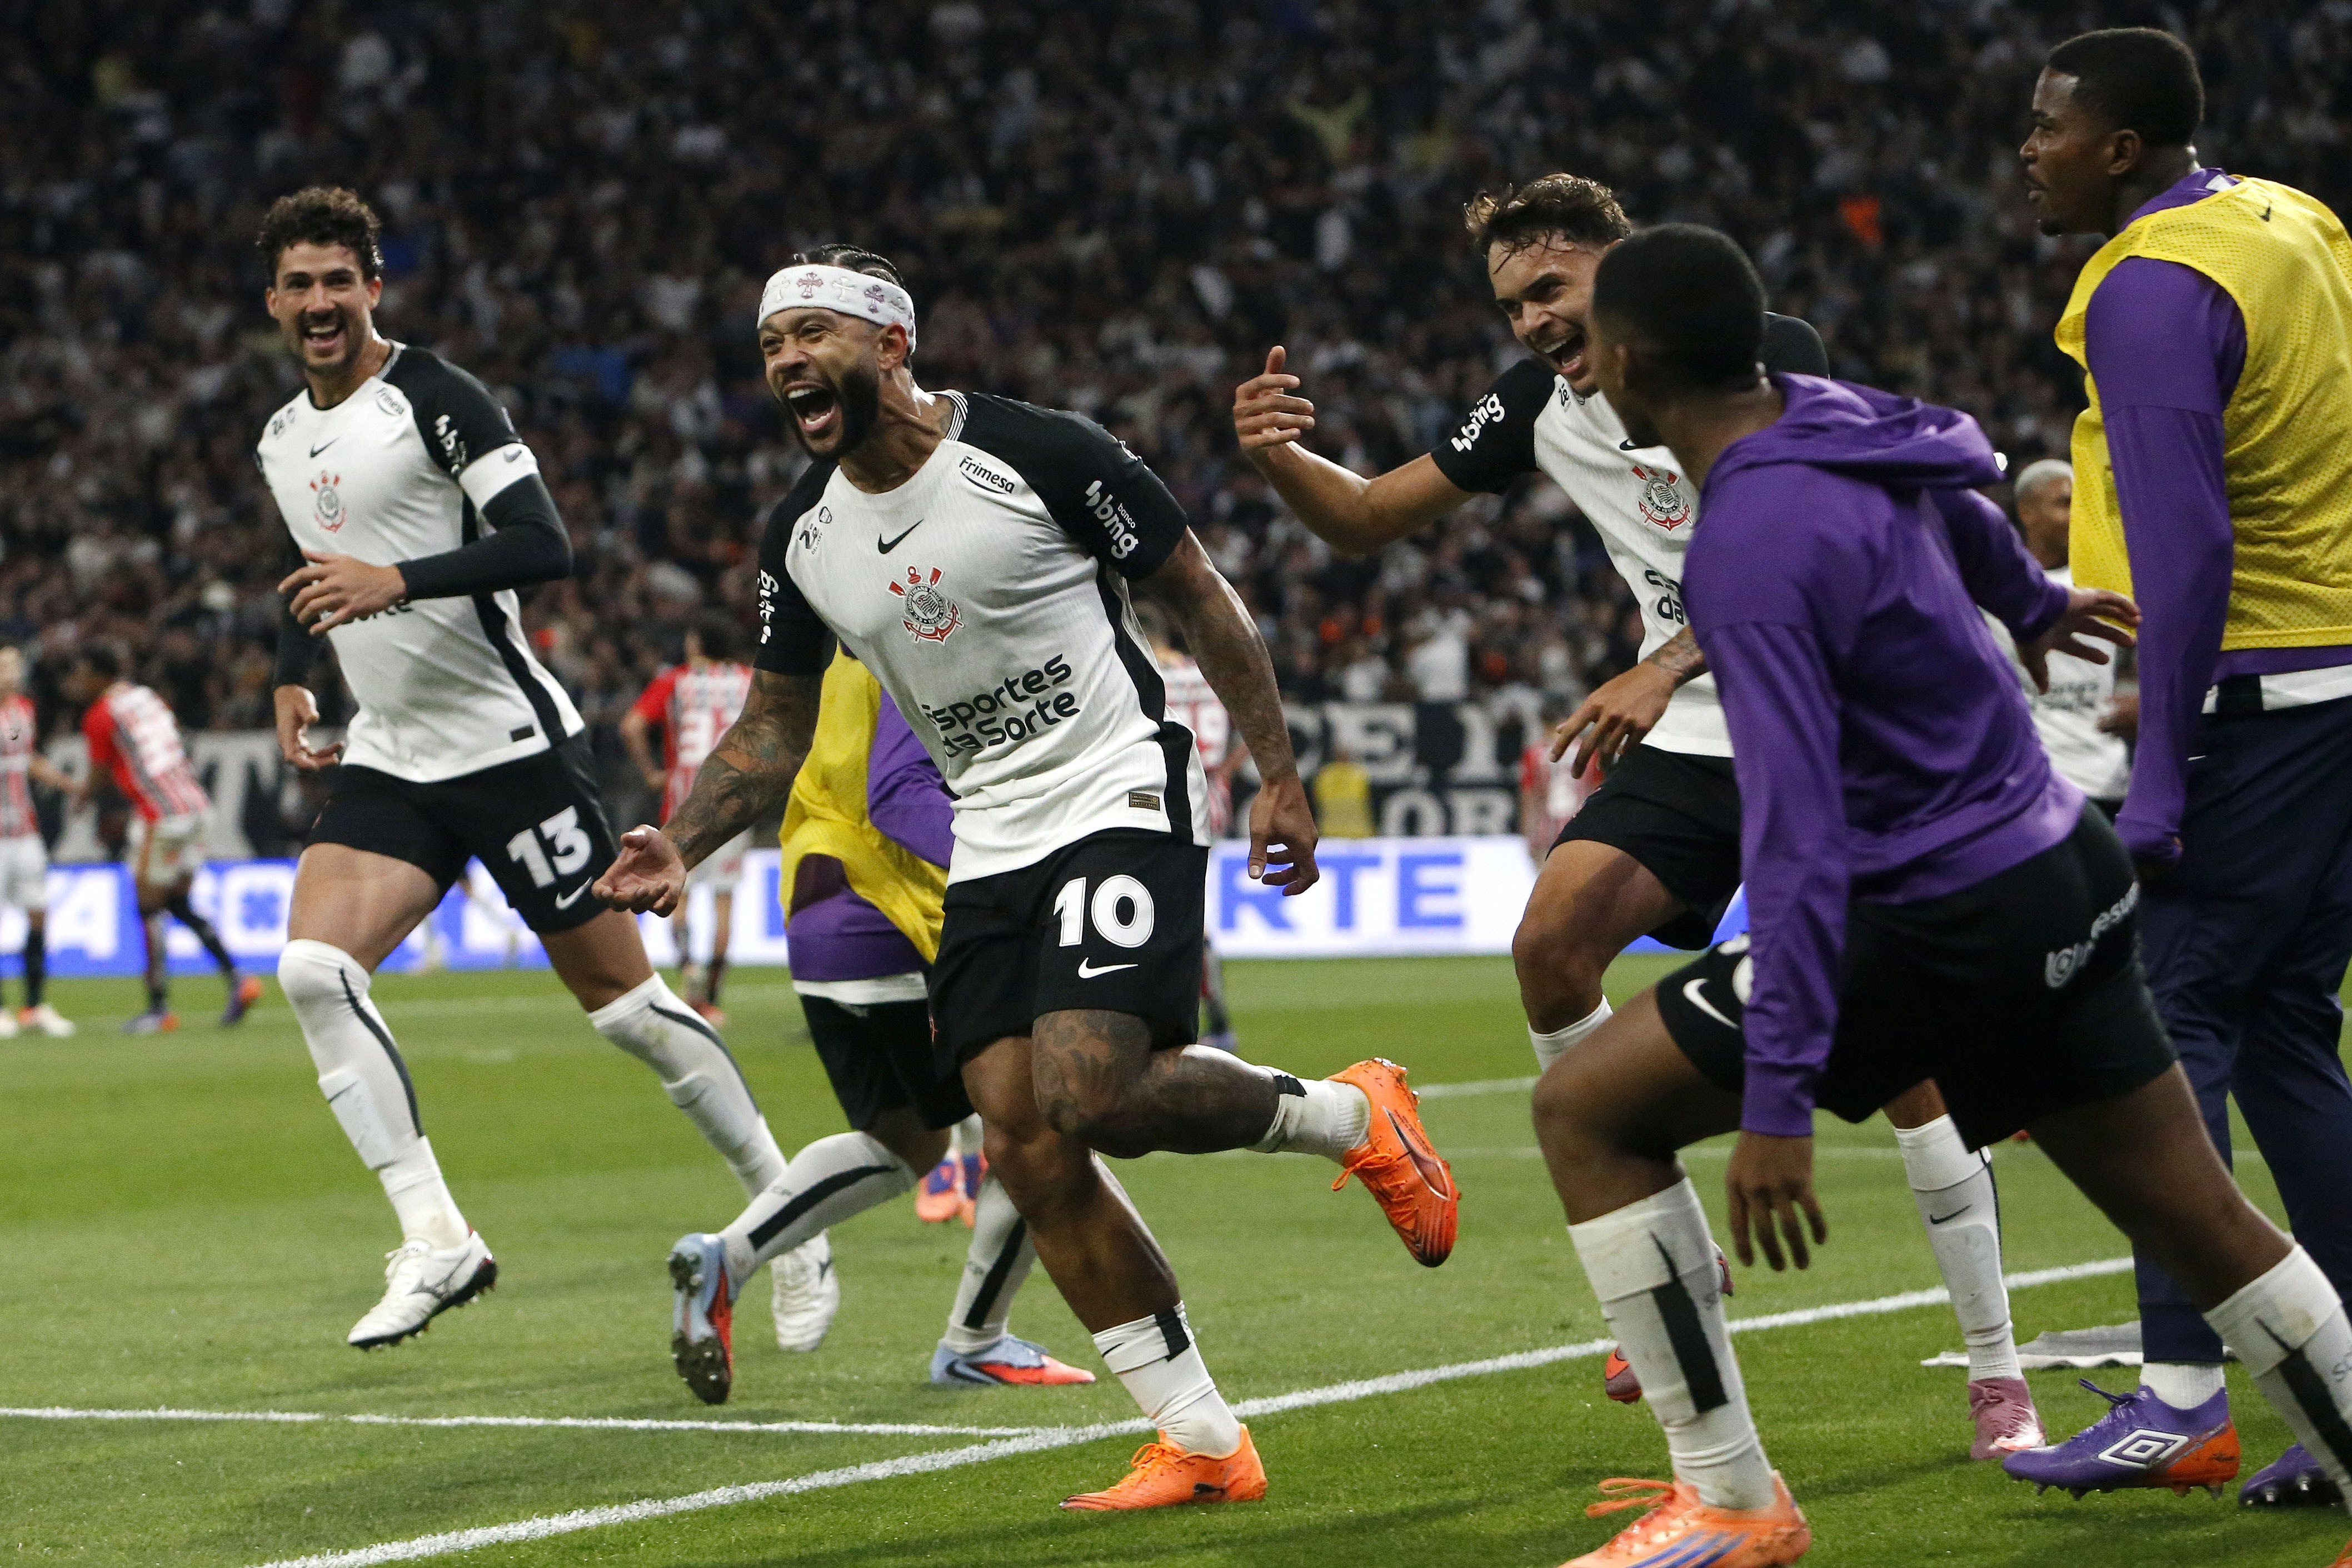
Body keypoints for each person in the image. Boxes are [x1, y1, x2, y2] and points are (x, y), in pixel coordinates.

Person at [1534, 220, 2352, 1568]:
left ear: (1623, 365)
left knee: (1585, 1110)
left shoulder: (1742, 541)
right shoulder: (1830, 415)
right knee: (2199, 1217)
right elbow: (1950, 463)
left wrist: (1779, 1094)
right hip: (2058, 874)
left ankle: (1730, 1497)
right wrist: (2024, 599)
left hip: (1925, 917)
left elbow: (1793, 831)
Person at [598, 244, 1458, 1512]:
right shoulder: (802, 538)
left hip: (1115, 783)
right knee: (1021, 1138)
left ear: (891, 345)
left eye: (814, 333)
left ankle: (1353, 1115)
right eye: (772, 342)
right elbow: (775, 726)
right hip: (989, 829)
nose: (786, 360)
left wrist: (1277, 773)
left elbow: (1202, 601)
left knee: (1090, 1087)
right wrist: (684, 836)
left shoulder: (1041, 453)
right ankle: (1202, 1439)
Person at [1234, 172, 2043, 1456]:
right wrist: (1279, 455)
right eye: (1509, 304)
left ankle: (1997, 1370)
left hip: (1819, 711)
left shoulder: (1753, 356)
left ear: (1618, 265)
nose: (1530, 323)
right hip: (1694, 725)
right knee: (1548, 944)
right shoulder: (1536, 407)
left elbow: (1788, 540)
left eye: (1547, 290)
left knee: (1900, 1064)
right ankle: (1659, 1265)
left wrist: (1661, 658)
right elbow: (1365, 519)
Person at [249, 186, 803, 1352]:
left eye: (336, 281)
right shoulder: (281, 435)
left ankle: (787, 1215)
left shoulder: (438, 398)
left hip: (512, 749)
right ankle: (438, 1237)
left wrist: (396, 580)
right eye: (297, 284)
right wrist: (297, 674)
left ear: (373, 288)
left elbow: (543, 542)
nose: (318, 303)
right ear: (273, 300)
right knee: (309, 969)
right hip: (394, 757)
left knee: (628, 1013)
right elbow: (310, 570)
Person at [2011, 27, 2352, 1517]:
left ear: (2124, 149)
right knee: (2287, 1029)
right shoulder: (2293, 217)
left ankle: (2182, 1392)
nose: (2029, 150)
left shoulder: (2149, 289)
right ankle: (2339, 1392)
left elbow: (2190, 540)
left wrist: (2162, 759)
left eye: (2048, 127)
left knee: (2166, 1027)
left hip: (2254, 691)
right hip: (2335, 673)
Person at [666, 647, 1091, 1400]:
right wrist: (1019, 869)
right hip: (893, 906)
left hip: (819, 908)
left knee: (906, 1140)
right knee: (1047, 1119)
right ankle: (976, 1340)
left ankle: (725, 1259)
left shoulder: (830, 643)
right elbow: (899, 795)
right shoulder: (909, 630)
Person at [60, 645, 259, 1033]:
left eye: (82, 674)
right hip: (197, 807)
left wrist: (84, 798)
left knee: (147, 907)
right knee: (179, 903)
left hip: (161, 815)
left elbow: (100, 773)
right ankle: (240, 979)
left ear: (101, 676)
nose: (77, 683)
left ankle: (158, 1008)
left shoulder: (100, 715)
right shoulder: (146, 697)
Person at [621, 610, 756, 1023]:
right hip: (734, 805)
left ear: (696, 643)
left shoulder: (674, 681)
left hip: (683, 804)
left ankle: (690, 978)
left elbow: (632, 726)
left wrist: (651, 774)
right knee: (724, 902)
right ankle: (712, 999)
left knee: (679, 896)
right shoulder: (750, 681)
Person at [1982, 459, 2134, 813]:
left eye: (2083, 503)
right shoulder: (1992, 586)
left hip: (2106, 777)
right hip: (2030, 780)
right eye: (2065, 503)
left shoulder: (2112, 578)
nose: (2079, 513)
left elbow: (2163, 648)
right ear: (2027, 512)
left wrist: (2153, 705)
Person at [1138, 602, 1245, 1051]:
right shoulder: (1203, 673)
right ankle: (1211, 1016)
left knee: (1165, 909)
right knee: (1186, 903)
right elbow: (1243, 727)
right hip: (1212, 798)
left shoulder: (1139, 670)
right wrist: (1222, 774)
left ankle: (1183, 1016)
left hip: (1162, 798)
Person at [0, 646, 74, 1038]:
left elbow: (24, 757)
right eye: (3, 667)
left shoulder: (20, 712)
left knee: (38, 913)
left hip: (25, 833)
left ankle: (34, 1006)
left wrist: (65, 784)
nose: (10, 674)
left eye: (13, 666)